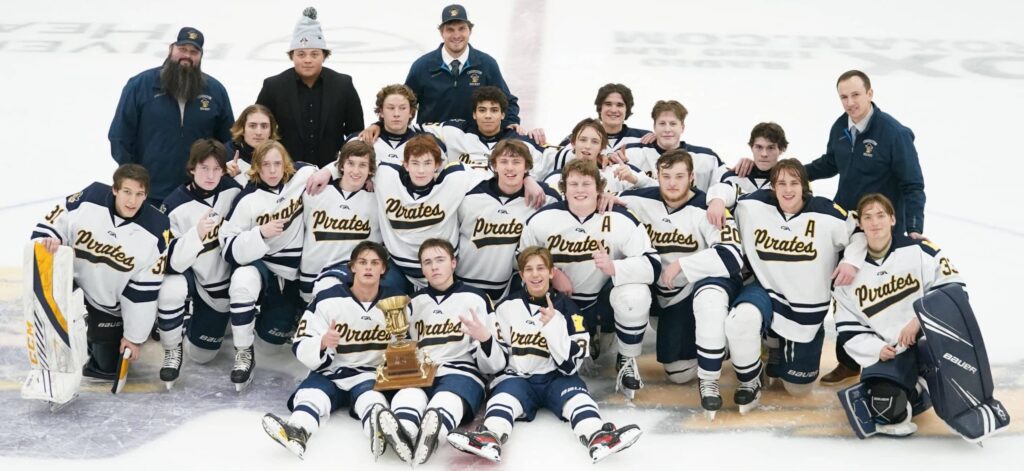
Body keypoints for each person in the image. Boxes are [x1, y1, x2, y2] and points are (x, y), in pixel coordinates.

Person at [447, 247, 642, 463]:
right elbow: (495, 366)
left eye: (541, 268)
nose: (535, 274)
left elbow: (570, 367)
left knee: (578, 399)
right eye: (528, 269)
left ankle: (598, 436)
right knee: (503, 397)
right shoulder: (507, 307)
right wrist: (486, 339)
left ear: (551, 272)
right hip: (519, 378)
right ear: (521, 275)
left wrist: (554, 328)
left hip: (556, 377)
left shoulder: (569, 309)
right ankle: (488, 436)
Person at [810, 70, 926, 384]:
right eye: (844, 97)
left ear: (870, 93)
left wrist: (914, 228)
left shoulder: (893, 133)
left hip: (879, 229)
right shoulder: (840, 126)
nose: (850, 103)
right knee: (844, 293)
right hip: (847, 225)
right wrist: (794, 174)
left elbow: (913, 185)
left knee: (877, 293)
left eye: (855, 95)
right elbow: (831, 162)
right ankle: (848, 361)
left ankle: (889, 357)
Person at [724, 159, 864, 413]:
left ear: (804, 186)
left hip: (806, 305)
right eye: (781, 184)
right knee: (741, 319)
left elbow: (859, 234)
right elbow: (723, 190)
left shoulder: (827, 213)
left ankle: (778, 346)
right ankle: (750, 379)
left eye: (794, 183)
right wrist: (715, 201)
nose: (788, 190)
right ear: (772, 187)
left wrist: (851, 262)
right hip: (766, 292)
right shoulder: (753, 206)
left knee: (798, 388)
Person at [618, 150, 744, 419]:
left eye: (679, 176)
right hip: (657, 290)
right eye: (666, 176)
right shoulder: (637, 200)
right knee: (676, 372)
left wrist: (683, 265)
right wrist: (605, 199)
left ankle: (723, 340)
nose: (672, 183)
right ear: (657, 177)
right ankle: (625, 353)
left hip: (690, 290)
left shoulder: (707, 208)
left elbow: (732, 257)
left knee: (679, 374)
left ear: (691, 177)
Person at [520, 158, 660, 400]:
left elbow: (652, 265)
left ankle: (626, 356)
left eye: (586, 183)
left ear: (599, 188)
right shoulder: (543, 218)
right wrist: (551, 273)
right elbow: (521, 262)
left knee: (634, 294)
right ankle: (580, 343)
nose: (580, 190)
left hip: (604, 307)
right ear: (564, 188)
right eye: (573, 184)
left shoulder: (620, 218)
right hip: (561, 305)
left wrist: (614, 266)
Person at [834, 194, 963, 436]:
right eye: (868, 217)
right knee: (886, 411)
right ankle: (917, 389)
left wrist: (920, 320)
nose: (875, 223)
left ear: (893, 219)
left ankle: (924, 382)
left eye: (881, 215)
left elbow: (954, 288)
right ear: (860, 224)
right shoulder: (847, 274)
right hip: (891, 353)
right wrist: (875, 349)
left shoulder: (920, 250)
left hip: (930, 343)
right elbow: (847, 325)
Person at [261, 241, 400, 459]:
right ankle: (297, 431)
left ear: (383, 269)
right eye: (362, 262)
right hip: (332, 371)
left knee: (372, 400)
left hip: (371, 374)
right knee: (312, 395)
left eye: (375, 263)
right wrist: (322, 343)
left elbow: (407, 344)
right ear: (352, 267)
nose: (368, 268)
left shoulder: (396, 302)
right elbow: (301, 342)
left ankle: (380, 432)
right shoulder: (328, 298)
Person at [31, 164, 169, 381]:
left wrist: (133, 337)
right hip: (73, 287)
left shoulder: (156, 230)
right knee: (49, 260)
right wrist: (50, 236)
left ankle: (96, 335)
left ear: (146, 195)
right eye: (127, 192)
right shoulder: (90, 197)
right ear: (114, 189)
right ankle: (65, 326)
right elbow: (57, 217)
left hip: (107, 304)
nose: (132, 201)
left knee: (107, 369)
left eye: (139, 194)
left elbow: (142, 292)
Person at [357, 134, 545, 290]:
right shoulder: (386, 175)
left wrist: (529, 179)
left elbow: (504, 173)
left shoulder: (456, 178)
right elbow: (351, 163)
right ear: (405, 164)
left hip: (444, 272)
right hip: (400, 270)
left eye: (428, 162)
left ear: (438, 164)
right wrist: (329, 171)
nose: (421, 170)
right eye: (415, 163)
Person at [378, 239, 504, 466]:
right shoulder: (413, 303)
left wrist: (484, 337)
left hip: (461, 371)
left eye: (440, 260)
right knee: (409, 395)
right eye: (427, 262)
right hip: (420, 371)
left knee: (447, 399)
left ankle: (433, 432)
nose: (434, 267)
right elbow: (402, 346)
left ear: (453, 263)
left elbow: (494, 365)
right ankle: (404, 432)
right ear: (422, 269)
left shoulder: (476, 298)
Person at [219, 141, 319, 390]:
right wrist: (260, 234)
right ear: (257, 168)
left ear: (286, 164)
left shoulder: (303, 176)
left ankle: (289, 319)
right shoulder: (247, 199)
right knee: (242, 280)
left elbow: (336, 167)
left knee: (271, 344)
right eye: (266, 165)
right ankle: (243, 353)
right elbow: (229, 249)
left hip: (297, 275)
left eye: (277, 164)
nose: (273, 171)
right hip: (266, 269)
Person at [108, 27, 233, 206]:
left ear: (200, 56)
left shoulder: (215, 91)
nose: (187, 56)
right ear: (171, 49)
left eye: (194, 52)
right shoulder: (140, 85)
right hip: (148, 193)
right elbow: (119, 136)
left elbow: (227, 141)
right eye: (182, 49)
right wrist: (132, 177)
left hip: (197, 195)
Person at [156, 139, 242, 388]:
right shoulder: (174, 206)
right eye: (204, 168)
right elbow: (170, 263)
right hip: (201, 285)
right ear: (192, 168)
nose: (211, 175)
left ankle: (230, 319)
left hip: (230, 282)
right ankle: (176, 337)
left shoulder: (233, 189)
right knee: (201, 356)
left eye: (217, 169)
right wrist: (197, 235)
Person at [256, 7, 364, 168]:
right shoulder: (273, 86)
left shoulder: (343, 85)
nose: (307, 60)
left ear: (324, 56)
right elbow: (259, 128)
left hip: (332, 173)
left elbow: (355, 132)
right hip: (285, 173)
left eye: (314, 54)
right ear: (292, 55)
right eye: (301, 54)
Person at [456, 139, 560, 302]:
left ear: (526, 167)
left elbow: (574, 203)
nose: (510, 168)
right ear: (494, 165)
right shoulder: (470, 196)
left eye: (516, 162)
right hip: (464, 282)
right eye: (503, 161)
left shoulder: (542, 197)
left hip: (508, 288)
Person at [362, 86, 542, 176]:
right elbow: (402, 125)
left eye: (494, 111)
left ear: (503, 114)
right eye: (482, 110)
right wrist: (377, 124)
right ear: (473, 113)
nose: (488, 116)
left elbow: (554, 158)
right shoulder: (453, 131)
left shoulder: (519, 140)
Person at [405, 4, 520, 129]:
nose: (456, 35)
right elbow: (403, 105)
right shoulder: (422, 66)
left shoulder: (486, 64)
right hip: (433, 143)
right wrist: (383, 126)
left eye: (461, 29)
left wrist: (510, 122)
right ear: (441, 32)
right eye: (450, 30)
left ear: (470, 30)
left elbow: (507, 101)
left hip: (474, 142)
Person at [299, 140, 382, 302]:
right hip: (311, 275)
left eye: (363, 165)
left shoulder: (377, 199)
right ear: (341, 165)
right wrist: (328, 170)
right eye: (351, 163)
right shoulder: (315, 190)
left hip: (352, 276)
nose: (356, 171)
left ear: (371, 169)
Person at [623, 100, 725, 193]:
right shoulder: (631, 153)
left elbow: (726, 183)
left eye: (673, 124)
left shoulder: (707, 158)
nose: (667, 129)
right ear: (654, 127)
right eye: (662, 123)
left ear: (682, 127)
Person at [705, 122, 788, 229]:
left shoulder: (791, 182)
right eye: (759, 147)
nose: (764, 154)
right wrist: (717, 199)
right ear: (751, 147)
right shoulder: (732, 177)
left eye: (771, 148)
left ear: (781, 149)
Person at [540, 118, 653, 193]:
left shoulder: (617, 172)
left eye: (595, 142)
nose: (588, 146)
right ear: (573, 143)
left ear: (602, 148)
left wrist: (634, 179)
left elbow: (658, 190)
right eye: (583, 140)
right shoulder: (555, 178)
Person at [557, 83, 653, 154]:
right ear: (600, 108)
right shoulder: (577, 138)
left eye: (620, 105)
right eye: (608, 104)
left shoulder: (643, 138)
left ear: (627, 109)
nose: (614, 110)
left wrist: (661, 141)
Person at [225, 104, 280, 186]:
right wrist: (222, 175)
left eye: (264, 126)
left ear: (271, 131)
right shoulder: (223, 154)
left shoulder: (278, 155)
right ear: (242, 129)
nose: (258, 132)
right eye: (252, 126)